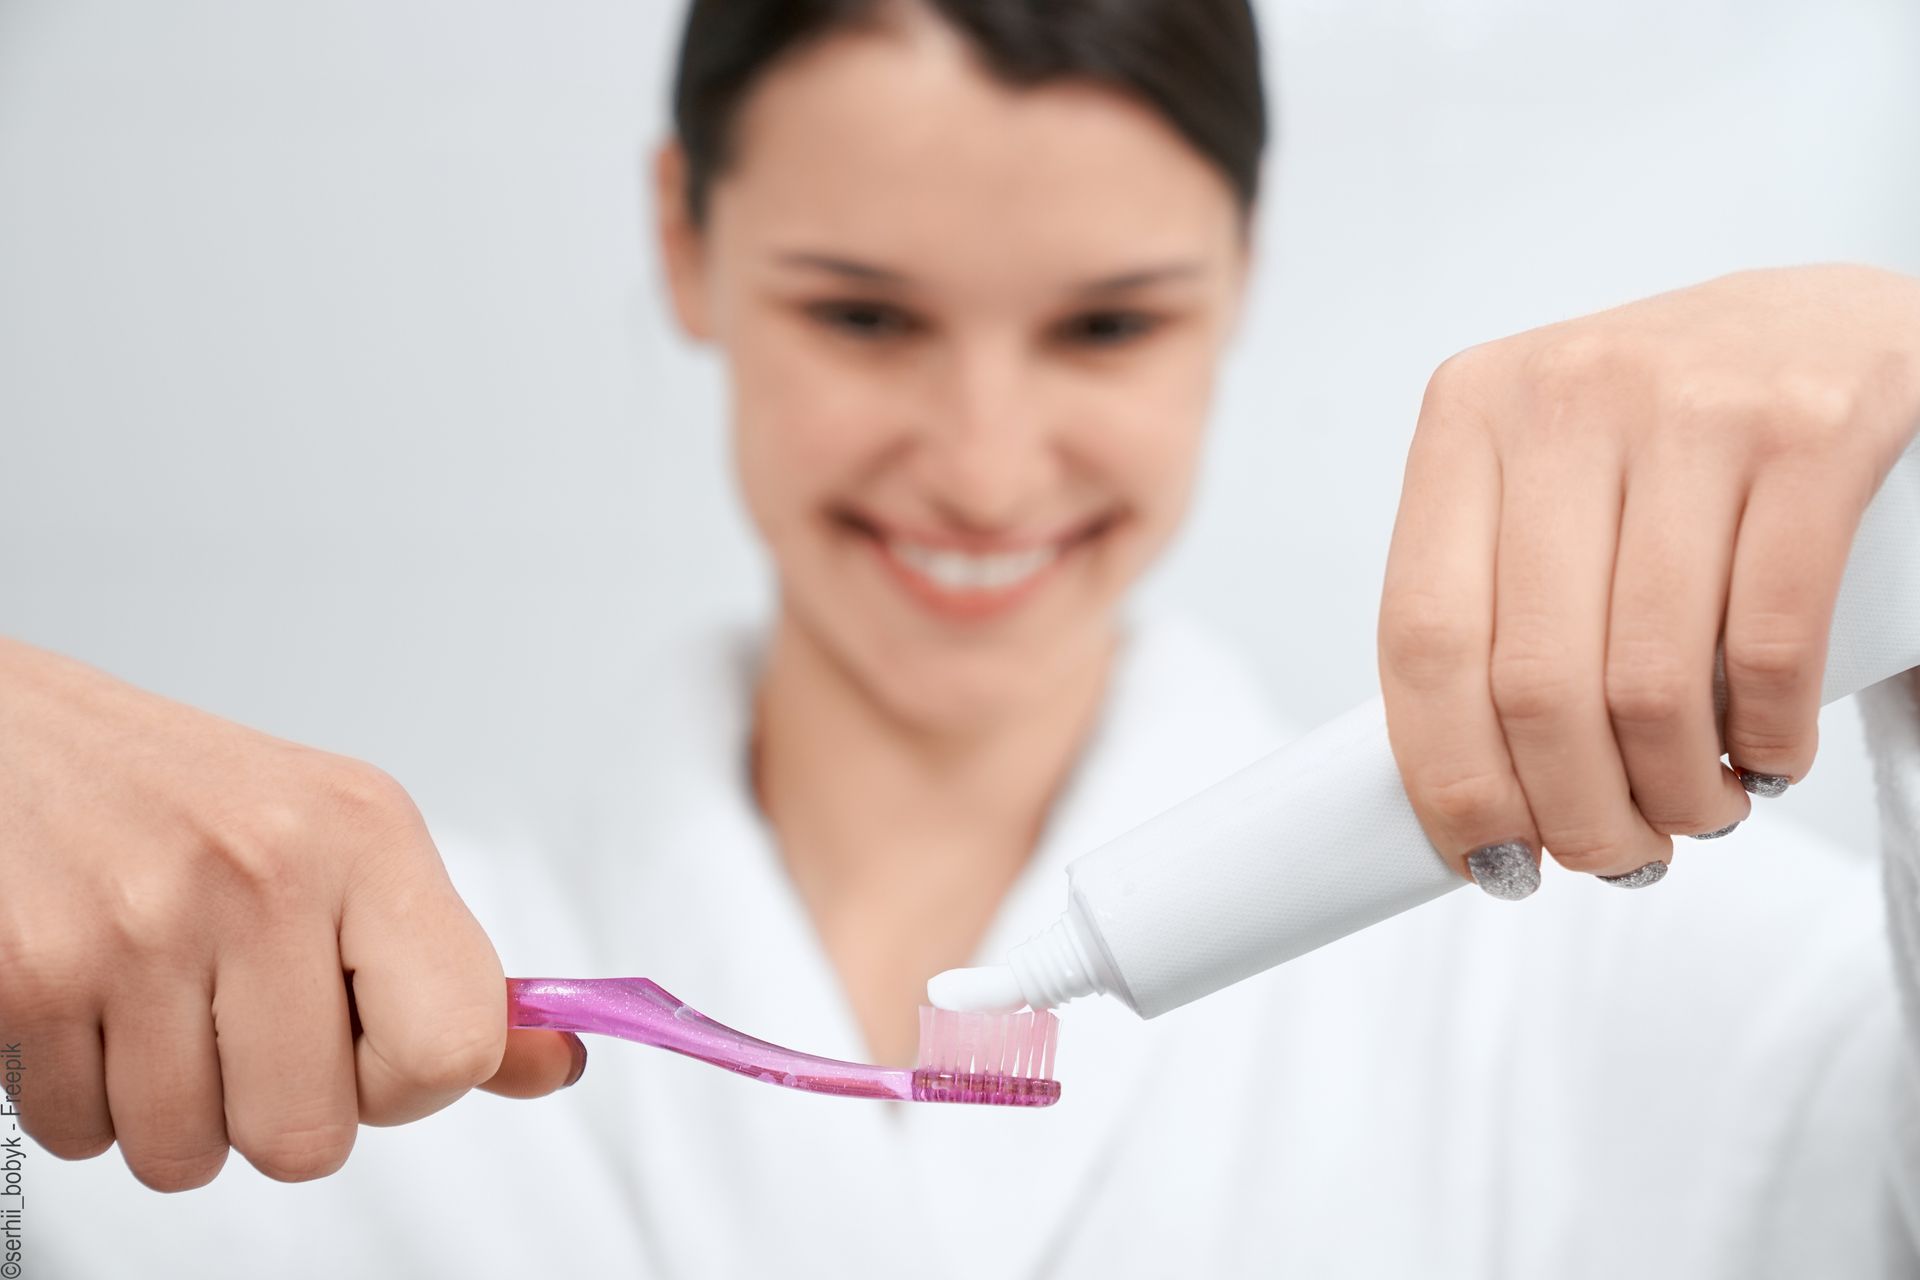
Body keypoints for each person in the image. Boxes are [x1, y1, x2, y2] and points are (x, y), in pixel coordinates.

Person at [8, 1, 1920, 1275]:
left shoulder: (1659, 997)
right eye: (862, 318)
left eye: (1107, 329)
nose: (988, 470)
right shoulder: (296, 1044)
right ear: (684, 240)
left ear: (1240, 275)